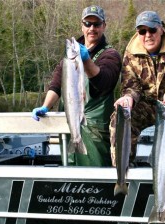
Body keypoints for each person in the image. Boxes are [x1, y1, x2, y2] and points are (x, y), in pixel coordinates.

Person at [32, 5, 122, 167]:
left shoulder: (110, 55)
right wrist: (45, 106)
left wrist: (86, 60)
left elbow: (104, 83)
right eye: (87, 24)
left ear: (104, 26)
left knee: (97, 173)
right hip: (71, 123)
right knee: (71, 171)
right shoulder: (68, 58)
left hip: (96, 131)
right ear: (82, 25)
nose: (92, 28)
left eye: (97, 24)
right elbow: (57, 84)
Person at [109, 11, 165, 168]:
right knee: (120, 116)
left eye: (152, 30)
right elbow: (130, 84)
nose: (147, 35)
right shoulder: (131, 52)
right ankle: (123, 172)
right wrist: (129, 97)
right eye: (142, 31)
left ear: (161, 29)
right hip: (147, 105)